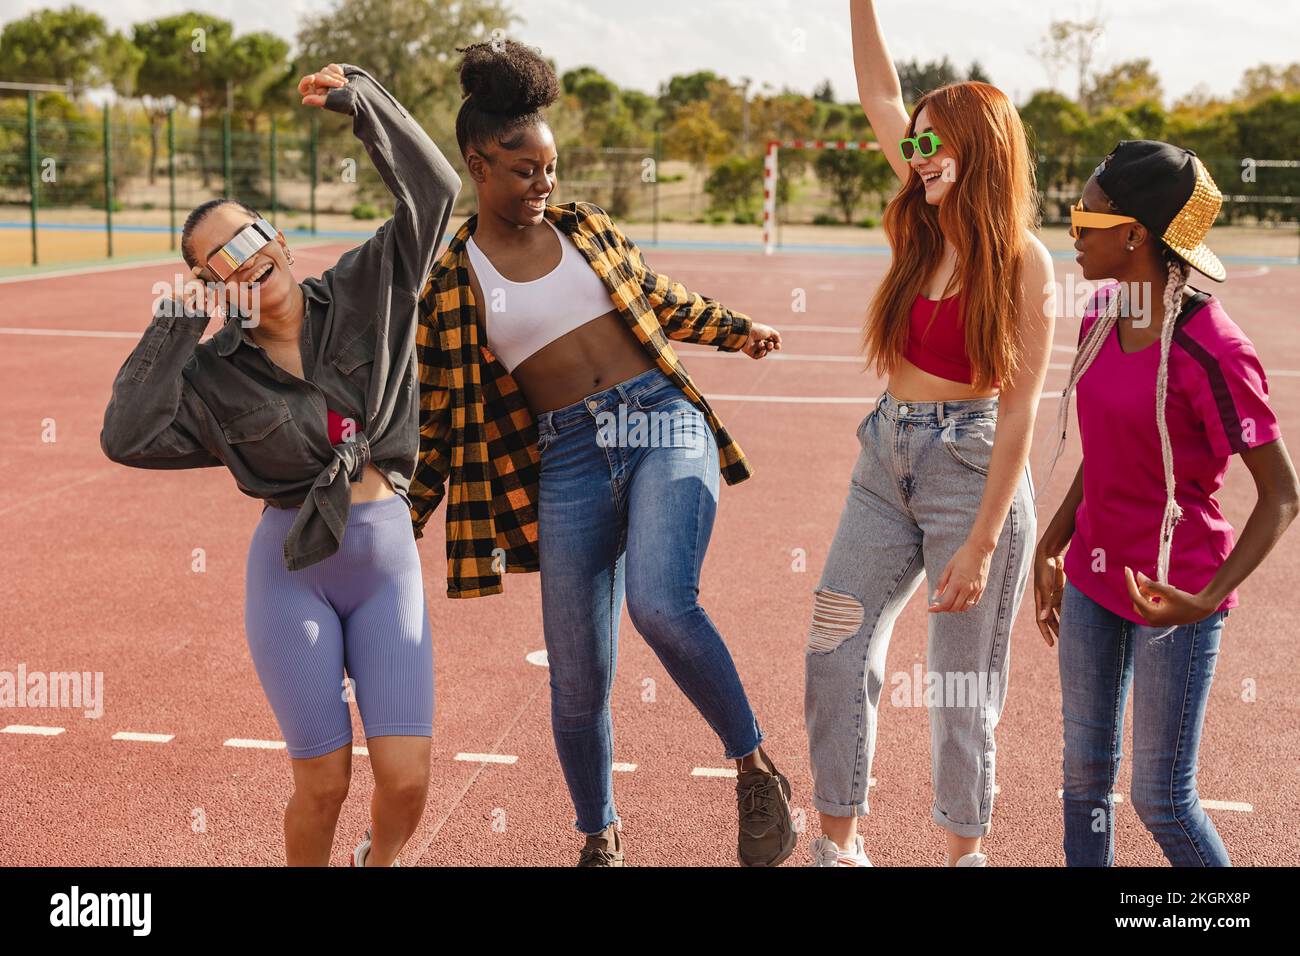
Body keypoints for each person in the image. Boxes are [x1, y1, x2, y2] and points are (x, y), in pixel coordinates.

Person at [407, 39, 793, 867]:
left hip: (659, 422)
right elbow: (437, 417)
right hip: (569, 458)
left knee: (660, 601)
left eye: (551, 168)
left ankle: (755, 767)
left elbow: (656, 299)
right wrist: (401, 518)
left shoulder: (586, 229)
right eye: (523, 170)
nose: (544, 185)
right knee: (577, 682)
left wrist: (737, 331)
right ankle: (600, 834)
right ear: (478, 164)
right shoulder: (452, 281)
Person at [100, 63, 460, 866]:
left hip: (385, 560)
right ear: (210, 282)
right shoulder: (215, 372)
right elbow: (126, 436)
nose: (242, 259)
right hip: (291, 569)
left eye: (248, 237)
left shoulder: (371, 286)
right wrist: (178, 323)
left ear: (278, 238)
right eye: (216, 260)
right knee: (324, 783)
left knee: (406, 779)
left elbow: (434, 193)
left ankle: (379, 862)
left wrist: (363, 101)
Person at [803, 0, 1056, 868]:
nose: (917, 155)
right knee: (834, 645)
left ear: (980, 147)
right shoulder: (918, 218)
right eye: (912, 144)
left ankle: (962, 855)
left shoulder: (1024, 260)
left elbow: (1021, 407)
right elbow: (879, 93)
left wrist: (983, 543)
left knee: (960, 689)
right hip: (887, 457)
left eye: (934, 142)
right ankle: (839, 846)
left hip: (973, 471)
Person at [1035, 140, 1299, 866]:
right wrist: (1050, 543)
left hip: (1175, 591)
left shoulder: (1214, 348)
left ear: (1135, 233)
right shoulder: (1100, 312)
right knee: (1084, 778)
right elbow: (1111, 449)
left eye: (1085, 215)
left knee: (1160, 796)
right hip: (1093, 578)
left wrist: (1205, 596)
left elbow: (1282, 495)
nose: (1073, 231)